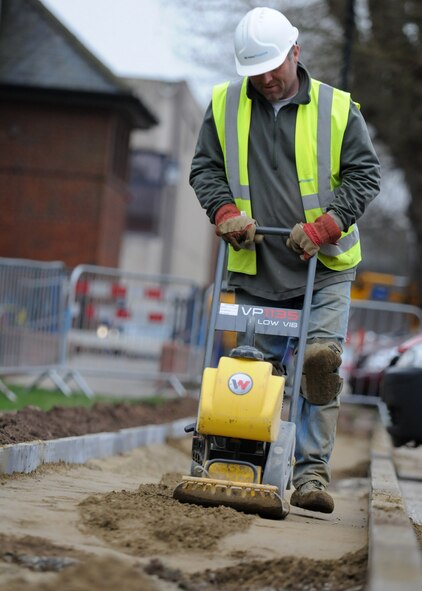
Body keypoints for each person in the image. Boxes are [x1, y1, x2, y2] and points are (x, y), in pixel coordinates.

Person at [189, 6, 380, 513]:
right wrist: (223, 209)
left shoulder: (338, 109)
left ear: (296, 52)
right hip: (258, 267)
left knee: (319, 362)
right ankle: (242, 462)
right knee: (254, 370)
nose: (267, 79)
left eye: (274, 66)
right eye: (255, 70)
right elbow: (205, 168)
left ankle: (312, 474)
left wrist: (323, 227)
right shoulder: (225, 105)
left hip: (327, 268)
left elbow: (365, 176)